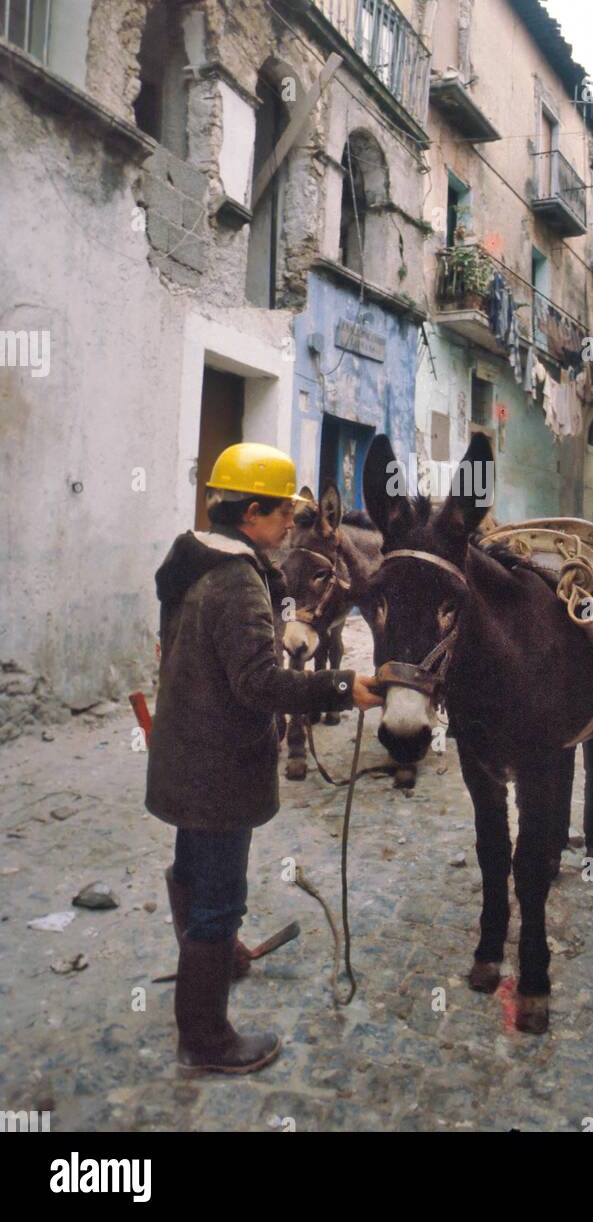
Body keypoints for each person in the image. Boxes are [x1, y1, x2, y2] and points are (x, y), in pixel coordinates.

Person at [145, 442, 382, 1075]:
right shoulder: (238, 580)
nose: (289, 528)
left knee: (192, 867)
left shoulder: (189, 561)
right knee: (220, 894)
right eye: (283, 515)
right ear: (252, 512)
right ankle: (206, 1038)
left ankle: (217, 960)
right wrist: (339, 686)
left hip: (183, 753)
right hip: (220, 764)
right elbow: (258, 683)